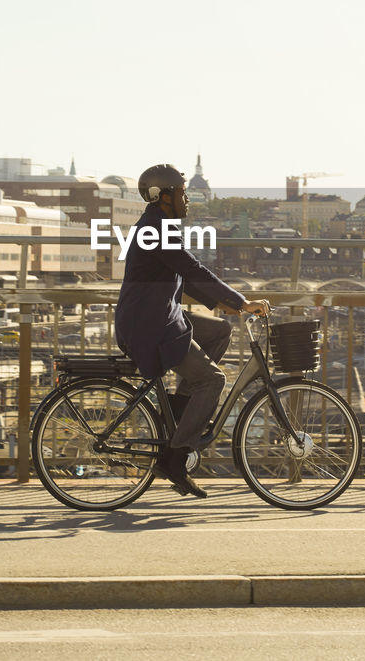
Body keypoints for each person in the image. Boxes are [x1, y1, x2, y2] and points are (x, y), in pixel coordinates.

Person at [115, 163, 269, 498]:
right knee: (214, 380)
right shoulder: (156, 229)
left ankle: (181, 410)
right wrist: (241, 302)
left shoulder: (158, 224)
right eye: (182, 193)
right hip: (150, 326)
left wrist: (224, 305)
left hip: (159, 316)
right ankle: (176, 456)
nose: (188, 200)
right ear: (163, 196)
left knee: (218, 332)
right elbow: (192, 267)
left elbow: (183, 275)